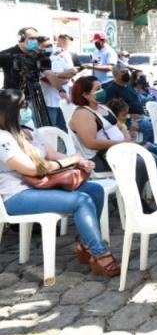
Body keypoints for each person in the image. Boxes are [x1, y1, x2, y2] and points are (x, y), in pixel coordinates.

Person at [0, 89, 121, 277]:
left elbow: (53, 155)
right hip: (18, 195)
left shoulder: (30, 131)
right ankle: (100, 254)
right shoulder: (3, 139)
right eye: (23, 105)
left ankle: (88, 245)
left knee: (95, 190)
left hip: (42, 185)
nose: (28, 108)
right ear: (9, 110)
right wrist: (68, 161)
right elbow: (33, 169)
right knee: (81, 200)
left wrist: (78, 160)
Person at [69, 76, 157, 212]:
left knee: (154, 157)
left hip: (120, 149)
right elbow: (90, 143)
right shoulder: (83, 114)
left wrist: (126, 139)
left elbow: (120, 126)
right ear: (85, 95)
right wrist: (120, 143)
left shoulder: (102, 107)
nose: (102, 91)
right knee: (142, 163)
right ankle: (133, 201)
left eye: (101, 87)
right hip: (101, 157)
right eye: (97, 89)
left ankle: (133, 196)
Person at [105, 98, 157, 195]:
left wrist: (132, 132)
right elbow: (125, 141)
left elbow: (131, 138)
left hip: (133, 146)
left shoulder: (123, 123)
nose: (127, 117)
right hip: (127, 150)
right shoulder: (115, 126)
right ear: (114, 115)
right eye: (123, 115)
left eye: (127, 114)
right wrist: (131, 132)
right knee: (154, 149)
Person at [102, 64, 154, 143]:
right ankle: (147, 148)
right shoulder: (111, 90)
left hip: (142, 117)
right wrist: (129, 117)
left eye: (127, 71)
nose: (126, 74)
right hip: (128, 120)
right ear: (116, 75)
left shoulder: (129, 86)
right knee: (149, 127)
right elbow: (111, 111)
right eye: (123, 72)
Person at [38, 36, 77, 131]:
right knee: (50, 128)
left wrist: (54, 75)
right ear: (39, 47)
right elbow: (49, 80)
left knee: (66, 126)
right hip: (50, 101)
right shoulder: (38, 61)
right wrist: (61, 77)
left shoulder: (60, 55)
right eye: (46, 46)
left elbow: (73, 71)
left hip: (64, 99)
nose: (50, 48)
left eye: (50, 45)